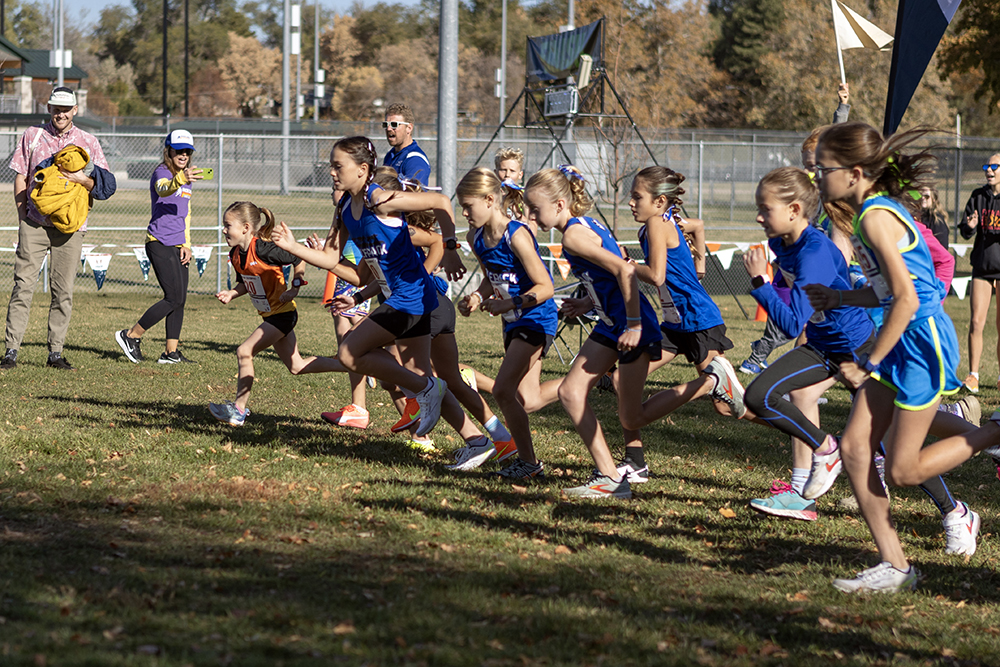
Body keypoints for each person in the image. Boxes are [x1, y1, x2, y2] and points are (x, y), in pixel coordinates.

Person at [803, 122, 980, 593]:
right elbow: (888, 291)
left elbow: (906, 300)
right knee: (856, 449)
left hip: (922, 341)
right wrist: (840, 301)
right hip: (903, 335)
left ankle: (993, 433)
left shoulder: (876, 218)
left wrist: (868, 361)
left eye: (824, 169)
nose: (817, 177)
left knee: (902, 470)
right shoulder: (866, 216)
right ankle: (896, 567)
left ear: (855, 173)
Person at [270, 136, 480, 451]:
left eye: (338, 166)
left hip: (410, 297)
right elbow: (330, 259)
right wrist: (292, 247)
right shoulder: (344, 207)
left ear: (362, 169)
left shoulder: (379, 200)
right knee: (411, 374)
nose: (331, 172)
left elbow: (441, 202)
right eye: (331, 166)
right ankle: (480, 441)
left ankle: (425, 389)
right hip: (400, 298)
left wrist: (450, 246)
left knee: (350, 353)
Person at [524, 165, 663, 499]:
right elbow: (607, 275)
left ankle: (708, 383)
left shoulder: (572, 235)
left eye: (534, 209)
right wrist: (589, 302)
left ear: (559, 204)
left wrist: (633, 323)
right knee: (572, 393)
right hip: (611, 322)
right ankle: (610, 477)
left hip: (629, 324)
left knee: (632, 413)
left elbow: (624, 270)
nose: (530, 215)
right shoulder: (587, 225)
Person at [611, 167, 746, 483]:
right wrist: (698, 268)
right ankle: (635, 462)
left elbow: (656, 275)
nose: (630, 203)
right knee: (622, 380)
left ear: (659, 202)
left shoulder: (657, 223)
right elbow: (696, 227)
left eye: (636, 197)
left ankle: (808, 438)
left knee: (731, 407)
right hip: (674, 323)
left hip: (698, 320)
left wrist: (625, 264)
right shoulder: (653, 224)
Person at [2, 87, 116, 371]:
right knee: (22, 287)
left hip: (70, 228)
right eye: (56, 108)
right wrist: (22, 218)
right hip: (34, 223)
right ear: (49, 108)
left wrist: (82, 179)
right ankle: (11, 351)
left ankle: (55, 353)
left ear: (75, 110)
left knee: (62, 291)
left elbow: (105, 186)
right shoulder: (33, 136)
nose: (60, 113)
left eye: (66, 109)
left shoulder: (88, 142)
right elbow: (21, 177)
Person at [457, 167, 559, 479]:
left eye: (467, 205)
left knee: (502, 390)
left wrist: (509, 303)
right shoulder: (476, 237)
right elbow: (492, 277)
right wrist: (476, 296)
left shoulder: (517, 235)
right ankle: (585, 382)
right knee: (527, 400)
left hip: (536, 318)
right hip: (513, 321)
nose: (463, 212)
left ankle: (528, 463)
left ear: (489, 200)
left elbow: (545, 287)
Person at [209, 202, 348, 426]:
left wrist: (295, 284)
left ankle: (238, 410)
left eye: (228, 225)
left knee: (244, 351)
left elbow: (298, 257)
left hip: (282, 315)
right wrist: (231, 294)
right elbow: (246, 282)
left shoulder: (264, 249)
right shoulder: (236, 253)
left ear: (245, 228)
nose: (224, 230)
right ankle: (352, 365)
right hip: (270, 316)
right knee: (297, 366)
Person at [115, 130, 204, 364]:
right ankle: (131, 335)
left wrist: (186, 243)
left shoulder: (187, 178)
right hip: (159, 242)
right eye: (178, 150)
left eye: (187, 151)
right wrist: (181, 179)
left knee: (180, 299)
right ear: (169, 150)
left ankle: (170, 353)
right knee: (172, 297)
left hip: (177, 244)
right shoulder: (161, 173)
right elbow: (164, 188)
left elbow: (186, 213)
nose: (183, 155)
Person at [957, 156, 1000, 393]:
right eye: (987, 166)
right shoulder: (977, 196)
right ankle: (973, 375)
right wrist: (970, 227)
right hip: (982, 268)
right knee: (976, 322)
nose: (989, 170)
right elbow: (964, 231)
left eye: (994, 166)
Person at [382, 103, 431, 187]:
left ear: (409, 128)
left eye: (394, 125)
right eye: (386, 125)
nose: (389, 129)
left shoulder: (415, 159)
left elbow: (412, 195)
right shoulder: (390, 155)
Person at [919, 184, 951, 250]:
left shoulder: (937, 220)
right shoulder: (917, 216)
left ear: (933, 199)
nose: (923, 198)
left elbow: (942, 247)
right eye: (920, 195)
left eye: (926, 196)